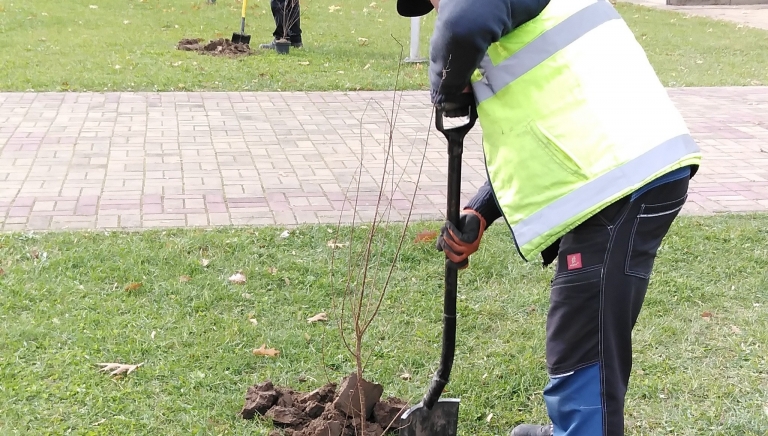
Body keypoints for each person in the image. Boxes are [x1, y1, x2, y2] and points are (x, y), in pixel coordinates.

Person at [394, 0, 702, 434]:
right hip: (623, 173)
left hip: (620, 184)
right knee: (583, 332)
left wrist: (447, 87)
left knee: (582, 346)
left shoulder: (477, 9)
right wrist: (481, 210)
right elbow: (553, 125)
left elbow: (461, 25)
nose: (434, 7)